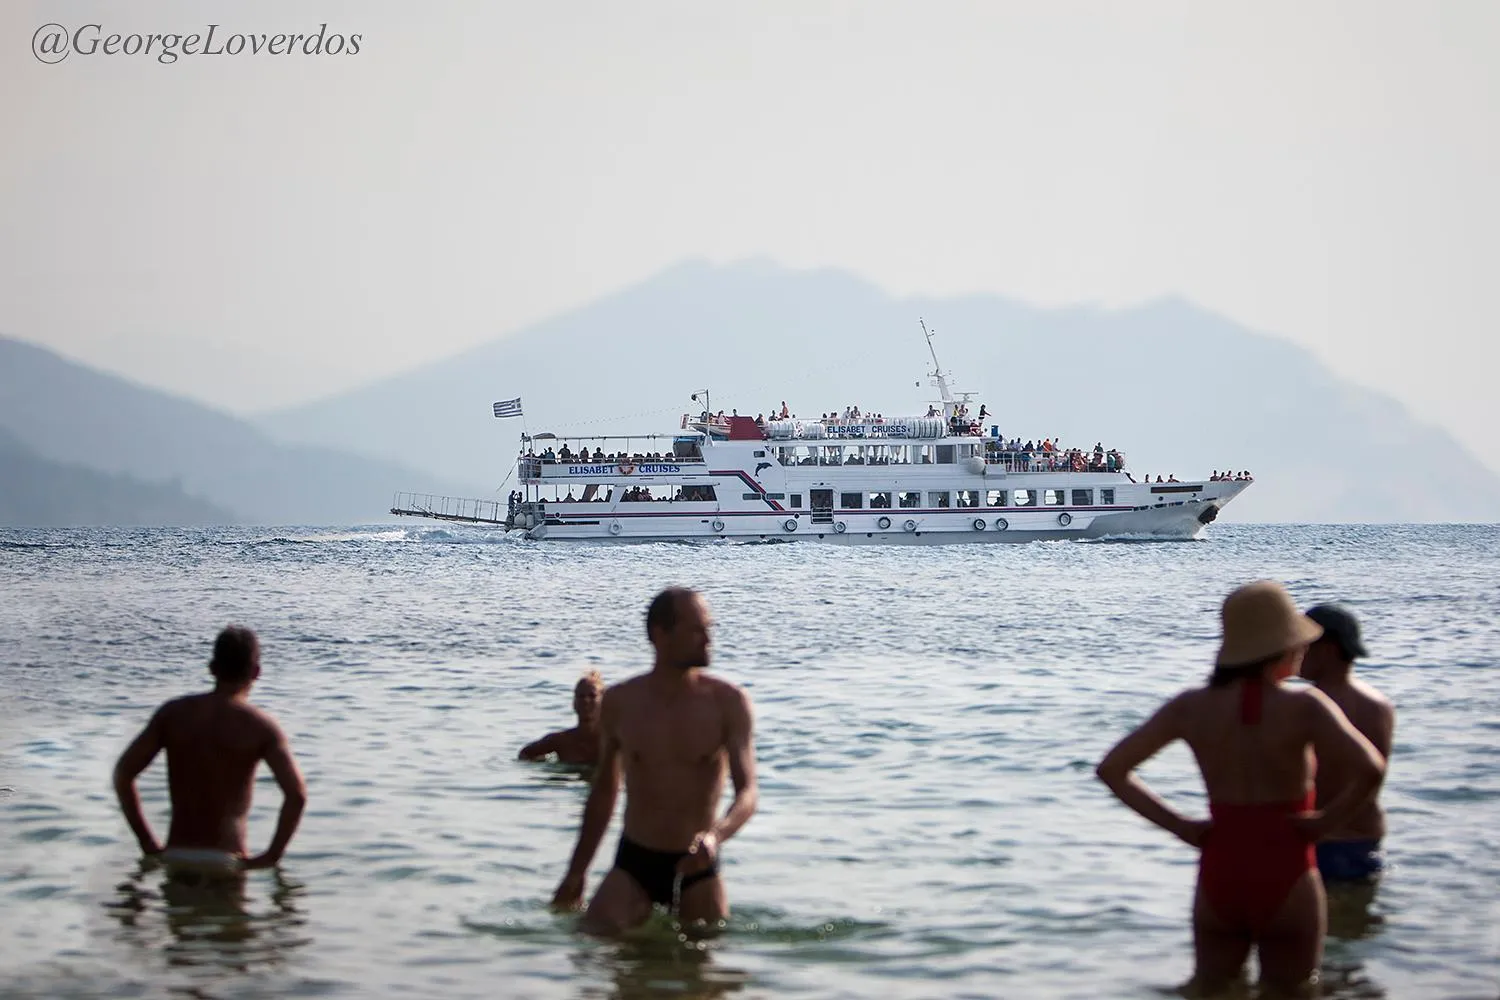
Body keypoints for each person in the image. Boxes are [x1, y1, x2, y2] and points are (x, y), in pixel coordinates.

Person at [1095, 581, 1386, 996]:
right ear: (1286, 648)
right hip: (1287, 869)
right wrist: (1324, 823)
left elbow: (1112, 770)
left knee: (1211, 989)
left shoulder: (1191, 706)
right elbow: (1371, 769)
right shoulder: (1305, 707)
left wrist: (1181, 826)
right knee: (1292, 990)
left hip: (1221, 872)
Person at [551, 588, 758, 935]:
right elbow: (604, 794)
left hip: (699, 865)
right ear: (659, 634)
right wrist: (576, 872)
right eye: (696, 630)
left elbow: (747, 794)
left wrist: (715, 836)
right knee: (592, 956)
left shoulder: (728, 703)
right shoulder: (620, 702)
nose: (708, 639)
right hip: (635, 862)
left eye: (709, 628)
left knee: (703, 979)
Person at [113, 625, 308, 878]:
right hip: (227, 859)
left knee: (178, 917)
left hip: (177, 854)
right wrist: (272, 855)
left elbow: (123, 774)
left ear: (212, 669)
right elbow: (297, 795)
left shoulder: (173, 714)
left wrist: (146, 842)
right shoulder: (261, 727)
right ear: (256, 671)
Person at [1302, 604, 1395, 884]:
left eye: (1303, 646)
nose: (1294, 654)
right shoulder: (1378, 705)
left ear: (1327, 649)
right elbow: (1372, 778)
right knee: (1355, 924)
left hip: (1320, 840)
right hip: (1364, 840)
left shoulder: (1305, 707)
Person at [518, 671, 605, 766]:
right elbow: (524, 754)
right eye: (581, 696)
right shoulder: (562, 741)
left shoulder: (614, 741)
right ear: (574, 703)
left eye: (592, 696)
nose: (586, 700)